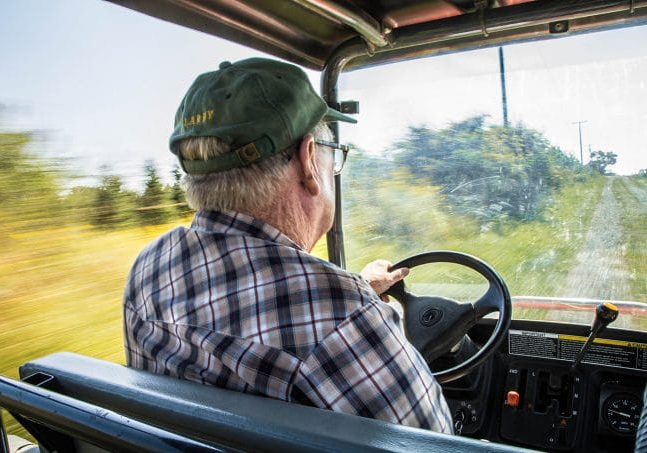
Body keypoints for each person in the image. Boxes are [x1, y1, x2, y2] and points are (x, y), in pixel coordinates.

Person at [123, 57, 453, 433]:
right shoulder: (343, 316)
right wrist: (354, 302)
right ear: (309, 159)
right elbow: (434, 439)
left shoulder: (148, 267)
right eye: (333, 152)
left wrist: (357, 287)